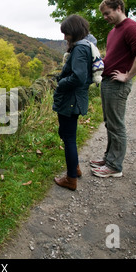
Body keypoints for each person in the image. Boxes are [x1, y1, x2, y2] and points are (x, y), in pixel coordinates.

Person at [91, 0, 136, 178]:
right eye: (103, 15)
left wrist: (128, 75)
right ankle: (109, 158)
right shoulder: (113, 31)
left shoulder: (130, 27)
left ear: (118, 8)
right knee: (109, 123)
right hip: (107, 81)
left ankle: (115, 166)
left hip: (117, 84)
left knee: (116, 124)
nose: (105, 17)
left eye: (107, 13)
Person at [53, 15, 96, 191]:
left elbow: (78, 77)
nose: (65, 38)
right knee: (67, 134)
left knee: (68, 137)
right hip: (77, 99)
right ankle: (75, 168)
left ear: (75, 31)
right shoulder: (87, 46)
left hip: (71, 100)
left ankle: (71, 179)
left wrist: (61, 83)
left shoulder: (79, 49)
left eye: (67, 34)